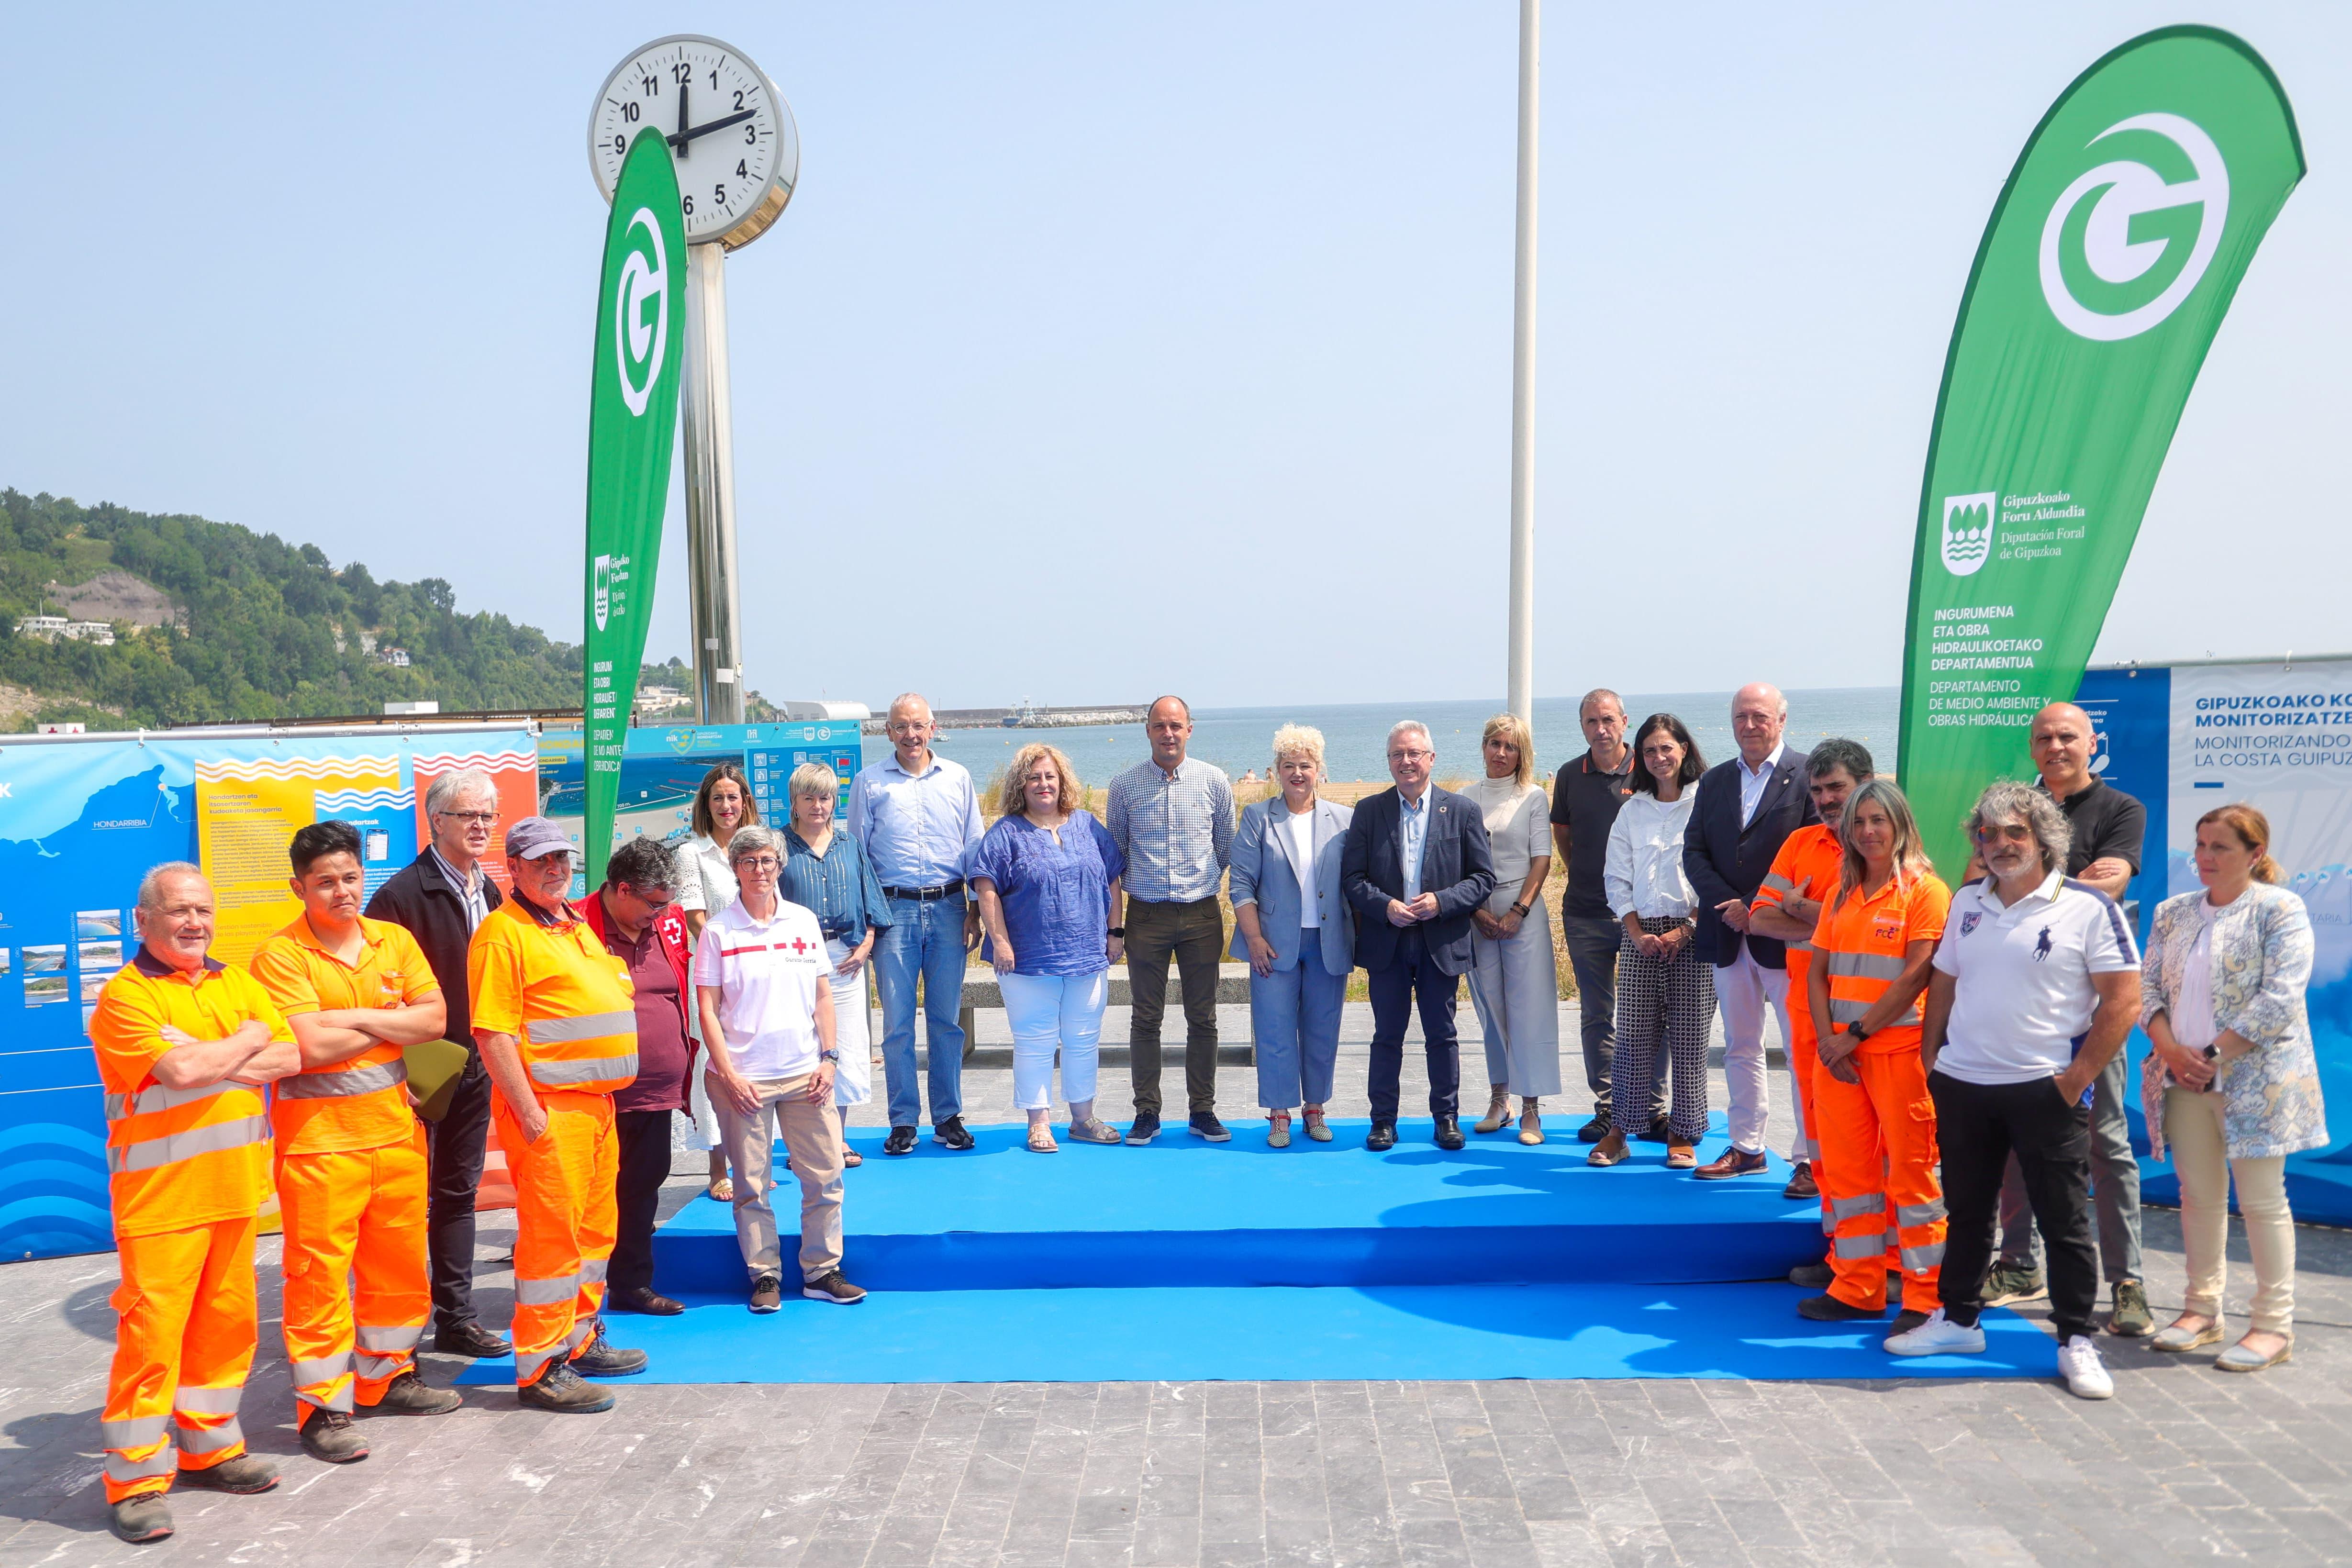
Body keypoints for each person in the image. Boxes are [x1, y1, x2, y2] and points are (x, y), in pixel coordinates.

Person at [1891, 782, 2140, 1402]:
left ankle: (2075, 1339)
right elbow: (1943, 981)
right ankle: (1957, 1320)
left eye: (2014, 833)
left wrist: (2074, 1080)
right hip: (1963, 1085)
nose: (1998, 844)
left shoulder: (2085, 907)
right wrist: (1932, 1060)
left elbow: (2123, 1000)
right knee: (1968, 1213)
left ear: (2042, 839)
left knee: (2061, 1222)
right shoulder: (1967, 902)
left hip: (2042, 1090)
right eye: (1986, 833)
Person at [91, 864, 301, 1544]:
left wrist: (221, 1051)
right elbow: (180, 1071)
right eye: (179, 910)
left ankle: (212, 1451)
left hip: (235, 1195)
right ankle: (136, 1481)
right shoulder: (125, 998)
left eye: (203, 910)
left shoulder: (236, 980)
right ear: (143, 919)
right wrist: (246, 1041)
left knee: (225, 1331)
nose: (194, 923)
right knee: (152, 1345)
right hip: (161, 1205)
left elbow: (288, 1056)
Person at [249, 822, 464, 1467]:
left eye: (349, 877)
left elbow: (435, 1019)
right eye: (325, 883)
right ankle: (324, 1407)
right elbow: (306, 1047)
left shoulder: (391, 939)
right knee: (317, 1280)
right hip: (319, 1147)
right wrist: (389, 1021)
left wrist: (351, 1018)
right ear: (298, 887)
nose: (341, 891)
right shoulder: (279, 957)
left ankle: (389, 1375)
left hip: (395, 1135)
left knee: (398, 1268)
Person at [1980, 701, 2153, 1336]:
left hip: (2094, 1004)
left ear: (2090, 742)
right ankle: (2016, 1263)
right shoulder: (2011, 812)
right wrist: (2054, 878)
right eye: (2042, 738)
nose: (2054, 747)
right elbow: (1981, 881)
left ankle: (2126, 1281)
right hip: (2022, 1003)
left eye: (2066, 737)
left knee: (2104, 1141)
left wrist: (2021, 879)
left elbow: (2106, 887)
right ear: (2030, 748)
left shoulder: (2120, 811)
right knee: (2016, 1139)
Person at [467, 817, 649, 1413]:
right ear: (512, 867)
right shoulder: (503, 933)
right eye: (541, 860)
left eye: (562, 859)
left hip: (595, 1107)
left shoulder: (572, 925)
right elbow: (493, 1032)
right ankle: (542, 1365)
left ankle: (579, 1336)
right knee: (552, 1242)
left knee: (594, 1234)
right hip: (551, 1110)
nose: (555, 869)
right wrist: (529, 1114)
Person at [2139, 804, 2324, 1373]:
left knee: (2264, 1202)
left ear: (2254, 854)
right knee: (2197, 1197)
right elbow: (2146, 987)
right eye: (2200, 845)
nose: (2205, 858)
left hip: (2254, 1081)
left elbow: (2281, 996)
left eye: (2220, 847)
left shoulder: (2279, 909)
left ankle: (2273, 1325)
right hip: (2182, 1077)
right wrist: (2172, 1051)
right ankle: (2201, 1309)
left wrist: (2214, 1055)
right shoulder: (2172, 912)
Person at [364, 767, 513, 1360]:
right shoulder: (400, 896)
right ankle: (393, 1324)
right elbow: (380, 995)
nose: (480, 827)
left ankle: (455, 1317)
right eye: (468, 816)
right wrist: (400, 1068)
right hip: (422, 1063)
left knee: (458, 1190)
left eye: (488, 816)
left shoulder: (493, 891)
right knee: (401, 1198)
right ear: (436, 821)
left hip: (477, 1059)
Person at [1795, 780, 1951, 1331]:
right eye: (1858, 822)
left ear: (1900, 824)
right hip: (1838, 1058)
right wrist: (1828, 1040)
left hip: (1897, 1053)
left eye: (1878, 820)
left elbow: (1916, 977)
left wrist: (1853, 1034)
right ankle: (1858, 1287)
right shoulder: (1842, 893)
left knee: (1912, 1179)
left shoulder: (1926, 891)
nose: (1867, 831)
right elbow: (1816, 972)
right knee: (1848, 1176)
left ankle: (1924, 1298)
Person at [694, 825, 865, 1309]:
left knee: (826, 1178)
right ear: (735, 868)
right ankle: (765, 1275)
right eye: (748, 861)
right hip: (743, 1080)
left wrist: (829, 1059)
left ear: (779, 865)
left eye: (767, 861)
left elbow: (822, 996)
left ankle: (822, 1271)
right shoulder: (718, 931)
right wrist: (728, 1075)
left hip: (805, 1074)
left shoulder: (803, 922)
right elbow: (707, 1008)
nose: (759, 871)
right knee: (750, 1186)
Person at [1341, 720, 1496, 1151]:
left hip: (1440, 941)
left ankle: (1446, 1117)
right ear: (1388, 761)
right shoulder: (1369, 812)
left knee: (1442, 1034)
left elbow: (1483, 878)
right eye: (1397, 755)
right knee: (1386, 1034)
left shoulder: (1461, 810)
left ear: (1431, 758)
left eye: (1413, 753)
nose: (1405, 762)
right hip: (1387, 940)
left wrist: (1443, 901)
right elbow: (1352, 879)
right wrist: (1384, 906)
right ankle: (1382, 1121)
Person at [1680, 682, 1813, 1180]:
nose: (1750, 725)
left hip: (1785, 934)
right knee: (1739, 1044)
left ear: (1781, 720)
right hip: (1728, 933)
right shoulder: (1714, 782)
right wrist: (1727, 905)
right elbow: (1693, 851)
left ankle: (1807, 1157)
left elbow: (1811, 857)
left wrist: (1756, 906)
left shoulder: (1806, 777)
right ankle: (1747, 1146)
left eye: (1760, 716)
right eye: (1741, 716)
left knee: (1800, 1049)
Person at [1746, 739, 1871, 1262]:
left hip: (1872, 1020)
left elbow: (1887, 923)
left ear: (1865, 782)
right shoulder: (1800, 844)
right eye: (1816, 789)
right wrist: (1833, 918)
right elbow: (1759, 917)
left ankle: (1874, 1262)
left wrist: (1805, 907)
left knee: (1869, 1143)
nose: (1824, 798)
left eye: (1835, 787)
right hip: (1807, 1010)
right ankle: (1839, 1253)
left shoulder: (1887, 845)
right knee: (1820, 1136)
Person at [970, 744, 1128, 1151]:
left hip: (1087, 955)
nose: (1043, 784)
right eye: (1034, 777)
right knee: (1035, 1039)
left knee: (1083, 1037)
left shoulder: (1088, 825)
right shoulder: (1006, 833)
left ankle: (1082, 1118)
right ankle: (1038, 1121)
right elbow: (985, 888)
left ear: (1063, 782)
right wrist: (1000, 942)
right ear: (1020, 786)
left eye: (1050, 776)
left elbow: (1112, 879)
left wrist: (1116, 932)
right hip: (1026, 959)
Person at [846, 692, 985, 1155]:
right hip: (893, 914)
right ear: (888, 731)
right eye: (901, 726)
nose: (911, 734)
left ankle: (947, 1117)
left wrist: (975, 908)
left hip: (949, 909)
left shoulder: (958, 778)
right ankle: (903, 1120)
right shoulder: (869, 783)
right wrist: (867, 923)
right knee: (898, 1024)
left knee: (946, 1021)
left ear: (933, 727)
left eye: (919, 725)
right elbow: (858, 857)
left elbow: (974, 847)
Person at [1106, 695, 1238, 1144]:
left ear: (1189, 729)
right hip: (1146, 916)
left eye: (1176, 725)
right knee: (1146, 1018)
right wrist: (1118, 926)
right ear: (1147, 730)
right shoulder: (1124, 786)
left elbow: (1226, 847)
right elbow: (1116, 856)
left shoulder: (1214, 780)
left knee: (1203, 1017)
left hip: (1201, 914)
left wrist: (1197, 884)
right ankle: (1147, 1112)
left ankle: (1202, 1110)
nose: (1168, 733)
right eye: (1160, 725)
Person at [1588, 715, 1714, 1170]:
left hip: (1694, 933)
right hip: (1640, 933)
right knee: (1634, 1036)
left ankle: (1683, 1132)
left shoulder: (1706, 803)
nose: (1659, 758)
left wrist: (1687, 929)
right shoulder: (1632, 810)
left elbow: (1713, 875)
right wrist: (1637, 933)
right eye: (1648, 751)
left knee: (1688, 1037)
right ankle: (1620, 1131)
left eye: (1667, 748)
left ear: (1684, 748)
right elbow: (1615, 875)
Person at [580, 837, 695, 1317]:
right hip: (594, 1092)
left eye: (668, 903)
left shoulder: (667, 921)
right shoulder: (574, 925)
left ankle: (631, 1285)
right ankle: (577, 1296)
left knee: (644, 1184)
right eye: (653, 903)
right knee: (592, 1196)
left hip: (655, 1091)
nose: (663, 913)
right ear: (621, 889)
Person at [1228, 725, 1353, 1146]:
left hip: (1328, 941)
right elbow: (1241, 884)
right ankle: (1279, 1112)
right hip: (1273, 943)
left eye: (1305, 765)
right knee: (1274, 1027)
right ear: (1276, 771)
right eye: (1289, 766)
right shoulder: (1258, 817)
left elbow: (1354, 882)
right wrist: (1255, 938)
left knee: (1322, 1027)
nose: (1297, 773)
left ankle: (1314, 1108)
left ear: (1319, 769)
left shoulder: (1344, 819)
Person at [1549, 689, 1657, 1143]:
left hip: (1648, 916)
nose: (1601, 728)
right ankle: (1610, 1108)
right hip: (1587, 913)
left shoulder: (1651, 769)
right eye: (1591, 721)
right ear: (1582, 726)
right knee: (1597, 1013)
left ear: (1625, 721)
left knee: (1651, 1014)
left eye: (1608, 719)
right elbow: (1563, 835)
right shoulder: (1571, 775)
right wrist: (1593, 876)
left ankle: (1650, 1109)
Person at [779, 761, 892, 1165]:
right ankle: (803, 1146)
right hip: (792, 959)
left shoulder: (850, 845)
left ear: (834, 801)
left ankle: (838, 1138)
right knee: (801, 1051)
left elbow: (873, 903)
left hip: (845, 958)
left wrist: (866, 946)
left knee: (842, 1046)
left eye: (824, 797)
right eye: (808, 797)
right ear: (793, 801)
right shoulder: (778, 847)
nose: (817, 805)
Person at [1466, 712, 1561, 1144]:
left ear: (1521, 752)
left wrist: (1517, 910)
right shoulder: (1465, 798)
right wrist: (1476, 913)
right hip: (1476, 916)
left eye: (1510, 746)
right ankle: (1498, 1099)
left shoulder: (1533, 796)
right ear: (1483, 747)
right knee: (1490, 1009)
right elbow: (1457, 865)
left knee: (1529, 1008)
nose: (1501, 753)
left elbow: (1541, 858)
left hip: (1524, 914)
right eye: (1494, 744)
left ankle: (1530, 1108)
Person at [674, 762, 760, 1200]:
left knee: (755, 1059)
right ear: (705, 805)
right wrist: (728, 960)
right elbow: (696, 918)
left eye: (734, 797)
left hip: (758, 974)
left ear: (746, 801)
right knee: (717, 1064)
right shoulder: (692, 854)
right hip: (713, 975)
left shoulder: (759, 847)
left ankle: (755, 1158)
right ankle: (716, 1166)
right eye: (718, 798)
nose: (727, 806)